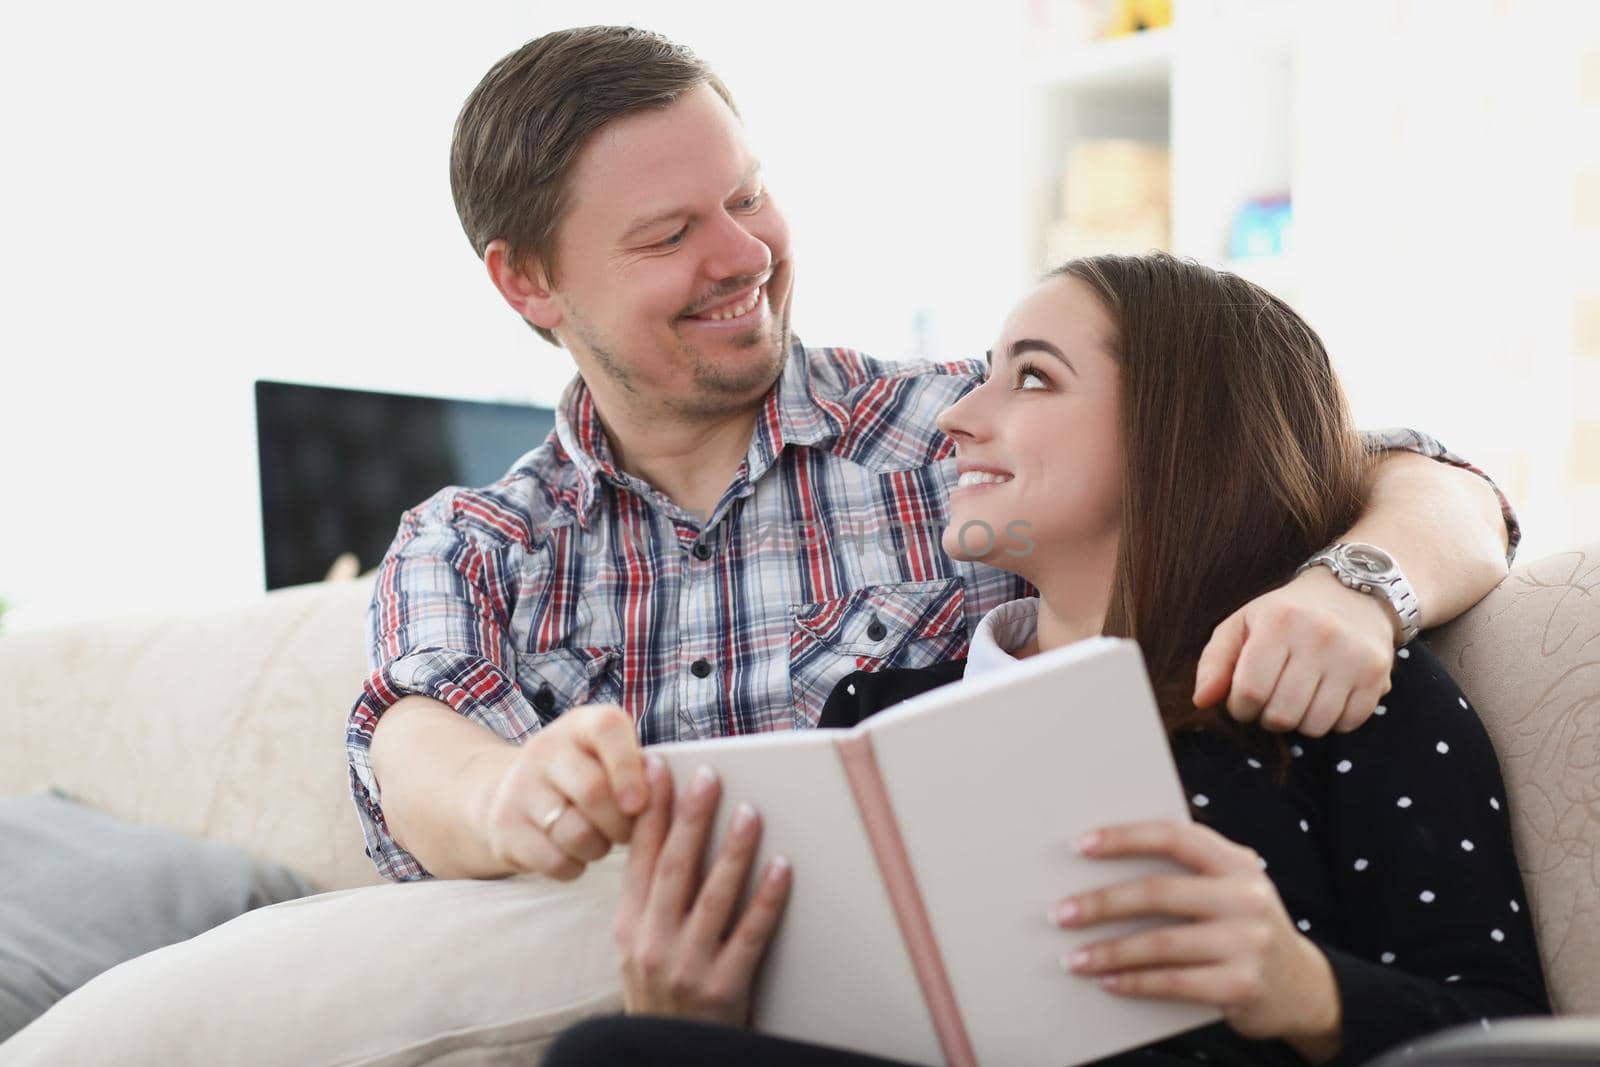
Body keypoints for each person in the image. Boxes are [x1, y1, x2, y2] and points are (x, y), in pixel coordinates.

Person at [347, 26, 1519, 887]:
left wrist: (1357, 588)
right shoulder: (477, 544)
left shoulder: (965, 441)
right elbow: (412, 739)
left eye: (747, 196)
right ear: (527, 280)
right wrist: (511, 797)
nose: (743, 254)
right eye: (668, 235)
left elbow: (1384, 469)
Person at [548, 254, 1551, 1067]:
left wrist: (1302, 987)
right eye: (985, 372)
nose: (955, 417)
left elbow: (1501, 1033)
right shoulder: (878, 711)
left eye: (1031, 377)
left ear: (1183, 431)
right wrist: (705, 1017)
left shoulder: (1338, 687)